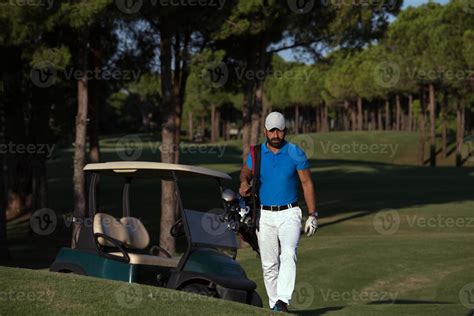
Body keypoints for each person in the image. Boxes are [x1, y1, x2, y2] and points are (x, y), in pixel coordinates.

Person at [239, 111, 318, 312]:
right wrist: (243, 183)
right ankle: (276, 306)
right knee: (268, 264)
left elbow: (307, 183)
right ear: (265, 131)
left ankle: (282, 299)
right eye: (272, 130)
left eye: (279, 130)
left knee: (289, 254)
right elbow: (245, 172)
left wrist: (313, 214)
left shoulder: (295, 152)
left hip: (290, 213)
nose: (275, 134)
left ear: (285, 131)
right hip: (264, 215)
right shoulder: (256, 153)